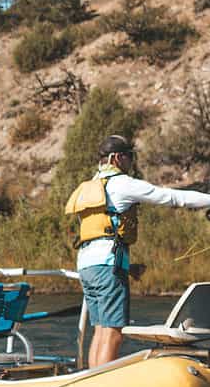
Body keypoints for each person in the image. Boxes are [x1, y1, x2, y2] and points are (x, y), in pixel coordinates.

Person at [66, 134, 210, 367]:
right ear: (116, 158)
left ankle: (90, 381)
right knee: (113, 331)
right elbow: (173, 197)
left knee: (101, 330)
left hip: (87, 266)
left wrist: (128, 267)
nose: (131, 162)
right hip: (107, 266)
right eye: (129, 157)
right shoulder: (123, 184)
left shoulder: (91, 184)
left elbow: (100, 232)